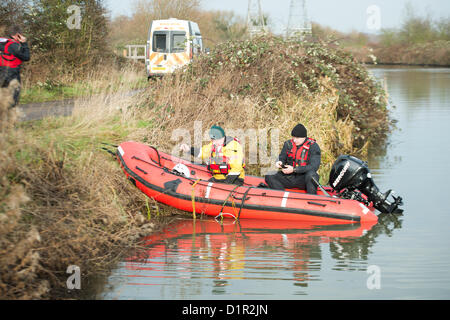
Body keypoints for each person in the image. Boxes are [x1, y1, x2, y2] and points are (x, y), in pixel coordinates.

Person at [264, 123, 321, 194]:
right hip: (290, 177)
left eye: (297, 138)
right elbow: (282, 157)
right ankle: (281, 194)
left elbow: (314, 166)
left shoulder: (313, 146)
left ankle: (311, 198)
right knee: (269, 175)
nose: (295, 140)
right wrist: (279, 162)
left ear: (304, 137)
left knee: (312, 176)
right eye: (293, 137)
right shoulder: (288, 144)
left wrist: (294, 169)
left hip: (304, 178)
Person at [180, 125, 246, 186]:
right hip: (218, 178)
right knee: (202, 186)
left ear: (222, 137)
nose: (213, 142)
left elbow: (236, 168)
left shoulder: (233, 146)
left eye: (215, 140)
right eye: (212, 140)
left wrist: (226, 183)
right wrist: (188, 149)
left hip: (234, 179)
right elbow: (202, 152)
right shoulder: (214, 144)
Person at [0, 25, 31, 108]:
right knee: (14, 96)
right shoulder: (14, 45)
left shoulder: (2, 41)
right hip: (12, 72)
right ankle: (10, 115)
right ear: (18, 35)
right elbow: (26, 57)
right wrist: (24, 43)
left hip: (1, 71)